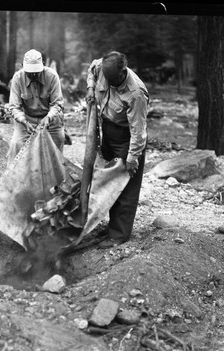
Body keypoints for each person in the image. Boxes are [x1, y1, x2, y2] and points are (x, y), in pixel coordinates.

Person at [85, 51, 149, 248]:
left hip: (126, 138)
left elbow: (138, 132)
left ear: (123, 70)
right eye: (107, 79)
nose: (110, 84)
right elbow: (91, 70)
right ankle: (110, 226)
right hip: (108, 130)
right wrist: (90, 88)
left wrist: (132, 158)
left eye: (114, 80)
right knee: (108, 179)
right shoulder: (102, 67)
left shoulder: (136, 93)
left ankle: (119, 235)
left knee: (126, 186)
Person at [7, 49, 65, 163]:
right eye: (30, 72)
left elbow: (57, 103)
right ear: (22, 66)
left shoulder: (52, 76)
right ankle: (16, 179)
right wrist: (24, 121)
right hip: (27, 119)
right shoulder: (17, 78)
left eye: (36, 72)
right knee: (16, 144)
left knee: (58, 143)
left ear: (43, 65)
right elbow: (14, 107)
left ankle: (56, 178)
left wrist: (48, 117)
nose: (33, 75)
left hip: (51, 119)